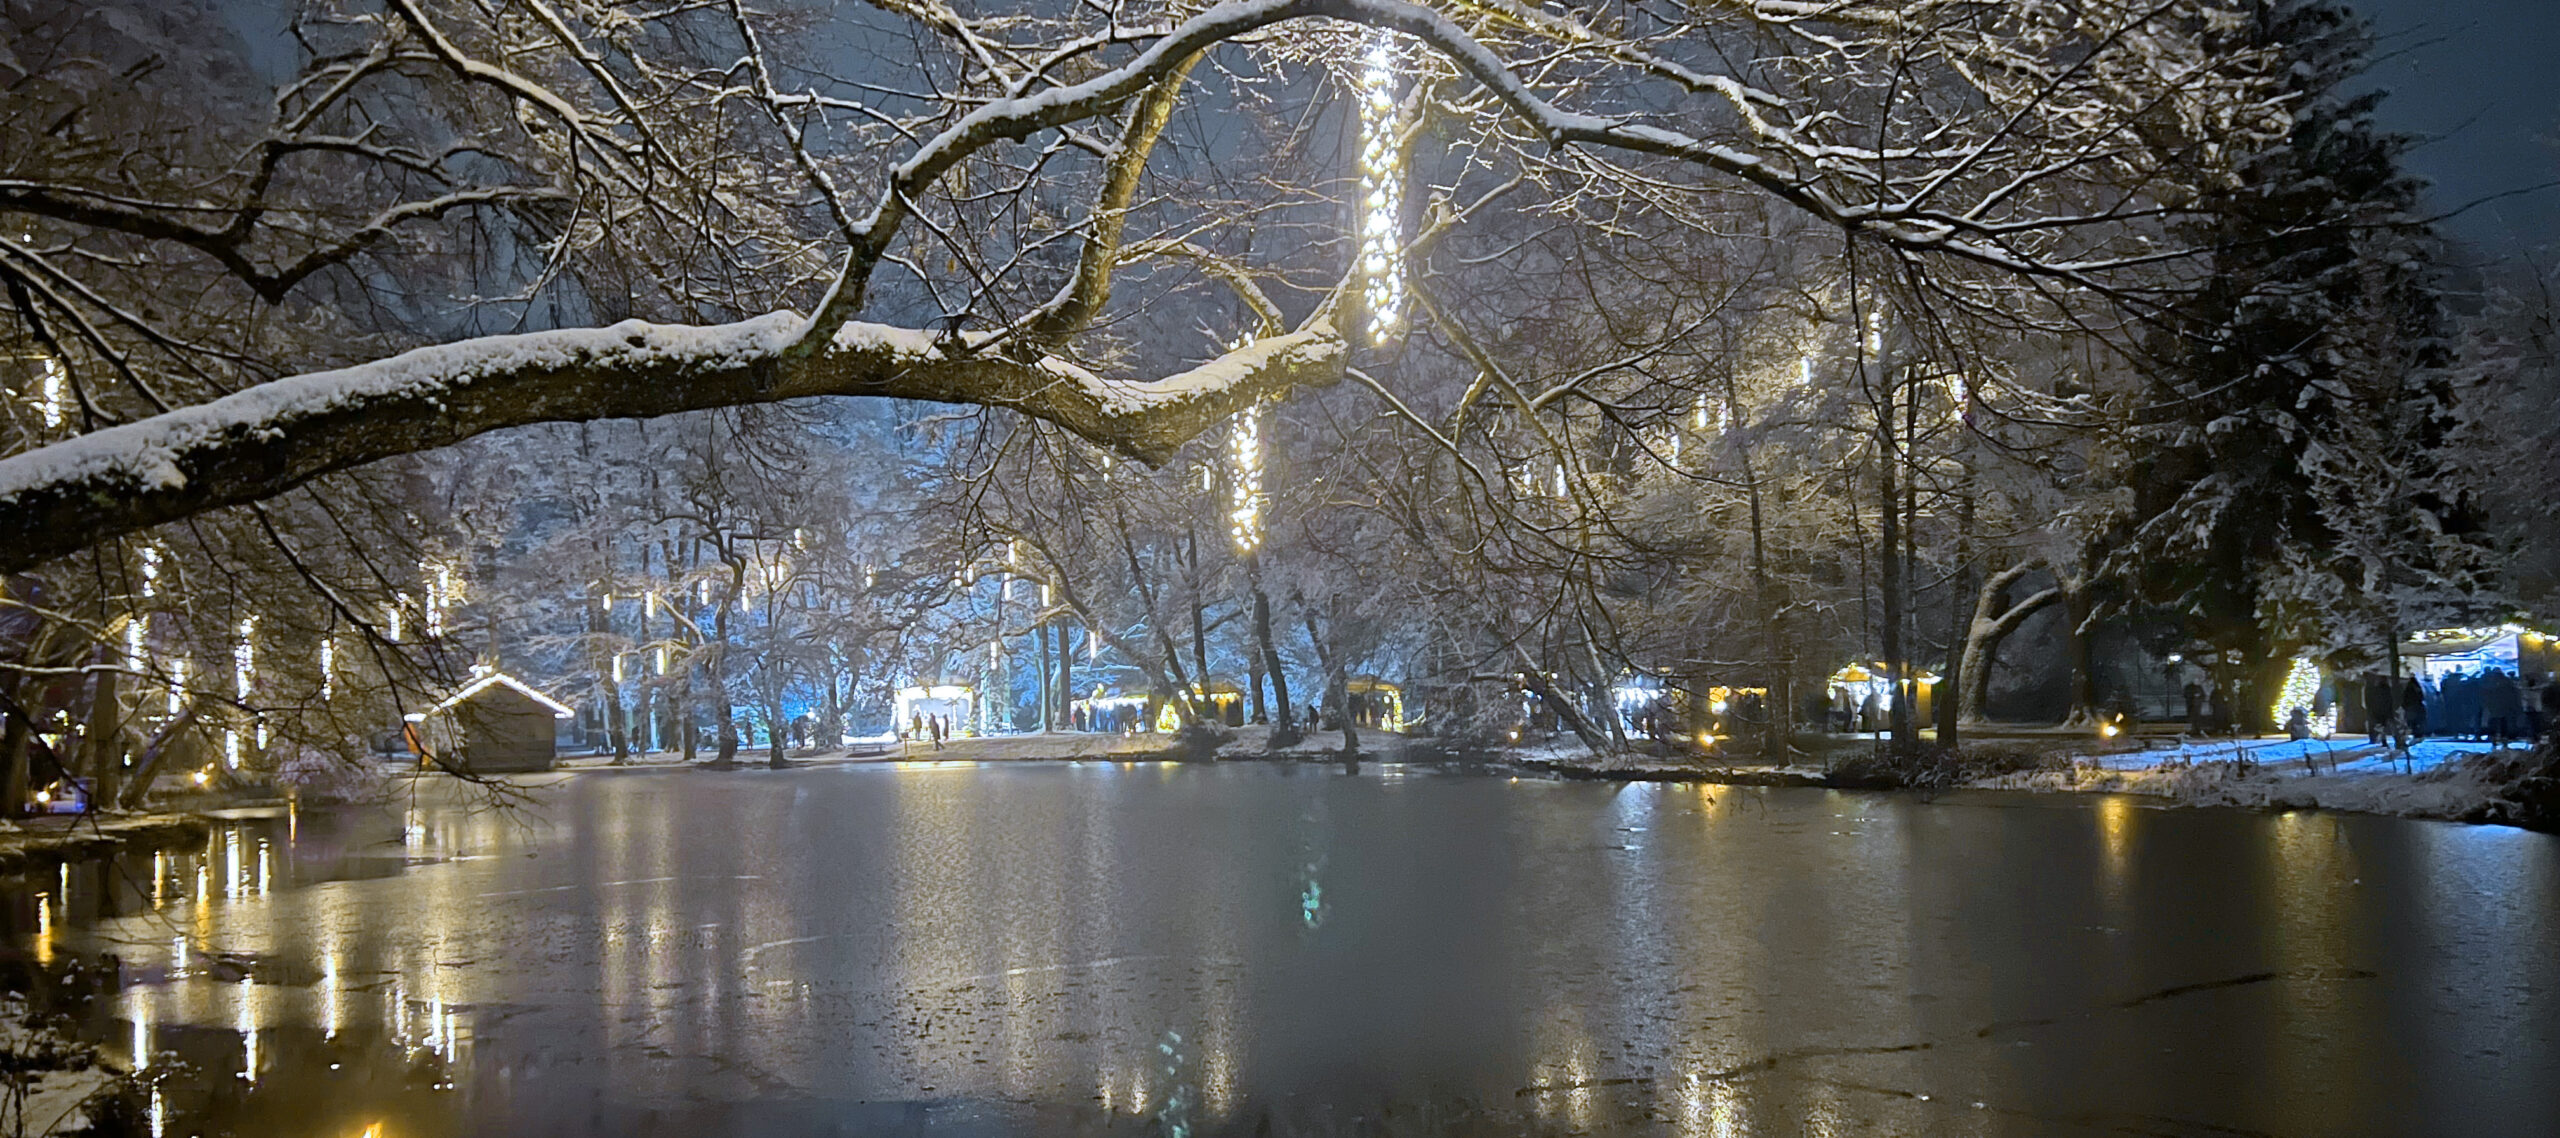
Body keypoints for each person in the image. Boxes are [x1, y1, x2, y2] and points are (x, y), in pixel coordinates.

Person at [2482, 668, 2523, 747]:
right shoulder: (2507, 681)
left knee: (2495, 722)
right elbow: (2513, 693)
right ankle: (2503, 738)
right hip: (2504, 705)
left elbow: (2486, 694)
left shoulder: (2491, 682)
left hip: (2495, 706)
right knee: (2503, 722)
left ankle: (2495, 737)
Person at [2362, 673, 2396, 746]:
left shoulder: (2376, 689)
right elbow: (2390, 699)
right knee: (2390, 725)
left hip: (2380, 710)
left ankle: (2383, 740)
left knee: (2382, 726)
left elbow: (2375, 700)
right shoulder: (2387, 689)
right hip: (2386, 710)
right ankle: (2396, 739)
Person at [2401, 675, 2430, 740]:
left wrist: (2405, 705)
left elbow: (2405, 698)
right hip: (2417, 706)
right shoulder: (2418, 688)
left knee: (2412, 721)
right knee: (2418, 721)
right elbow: (2421, 696)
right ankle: (2419, 733)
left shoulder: (2408, 688)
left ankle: (2415, 733)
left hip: (2411, 707)